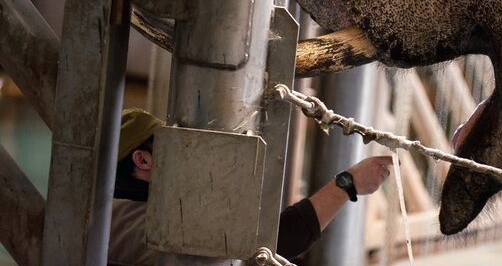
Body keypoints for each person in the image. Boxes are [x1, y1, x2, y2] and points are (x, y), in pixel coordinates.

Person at [108, 108, 391, 266]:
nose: (186, 157)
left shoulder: (120, 210)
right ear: (143, 159)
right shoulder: (134, 220)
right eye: (171, 149)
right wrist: (348, 183)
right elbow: (272, 243)